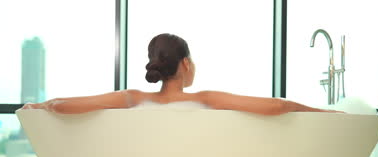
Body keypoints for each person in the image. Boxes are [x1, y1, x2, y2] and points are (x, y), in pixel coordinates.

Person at [19, 33, 342, 115]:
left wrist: (39, 107)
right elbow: (278, 106)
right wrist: (324, 113)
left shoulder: (132, 99)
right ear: (186, 64)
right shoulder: (205, 99)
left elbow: (63, 105)